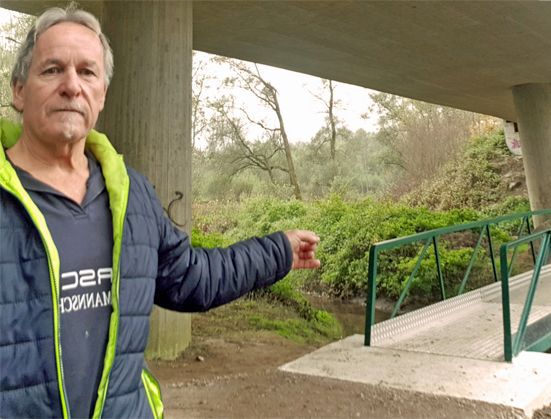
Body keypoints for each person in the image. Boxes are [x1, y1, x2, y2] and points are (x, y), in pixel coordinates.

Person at [0, 4, 320, 418]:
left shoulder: (132, 195)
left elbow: (192, 278)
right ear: (19, 90)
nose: (71, 86)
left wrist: (278, 251)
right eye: (52, 70)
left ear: (102, 95)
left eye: (87, 72)